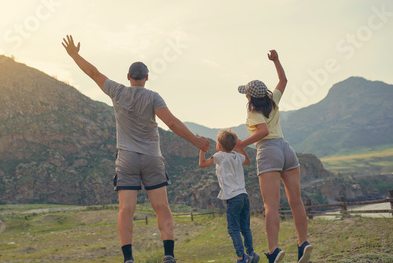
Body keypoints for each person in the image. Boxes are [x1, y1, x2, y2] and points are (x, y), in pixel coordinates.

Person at [62, 35, 210, 263]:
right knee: (161, 206)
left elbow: (93, 73)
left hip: (127, 158)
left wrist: (74, 55)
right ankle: (169, 255)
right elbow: (171, 123)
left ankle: (128, 259)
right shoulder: (153, 97)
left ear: (128, 77)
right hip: (151, 157)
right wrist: (197, 142)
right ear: (147, 78)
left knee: (126, 210)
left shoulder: (117, 91)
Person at [234, 50, 313, 263]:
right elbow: (283, 80)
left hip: (268, 152)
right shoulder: (272, 100)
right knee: (296, 201)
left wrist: (240, 144)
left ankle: (273, 251)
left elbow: (263, 132)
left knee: (271, 206)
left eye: (247, 93)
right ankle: (303, 243)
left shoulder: (252, 110)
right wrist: (276, 60)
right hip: (286, 149)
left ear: (250, 96)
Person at [199, 129, 260, 263]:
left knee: (233, 228)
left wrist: (202, 149)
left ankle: (241, 257)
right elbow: (248, 161)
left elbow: (202, 163)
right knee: (245, 227)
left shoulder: (220, 156)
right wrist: (240, 148)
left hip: (233, 197)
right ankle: (251, 253)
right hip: (244, 195)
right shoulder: (237, 156)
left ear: (219, 146)